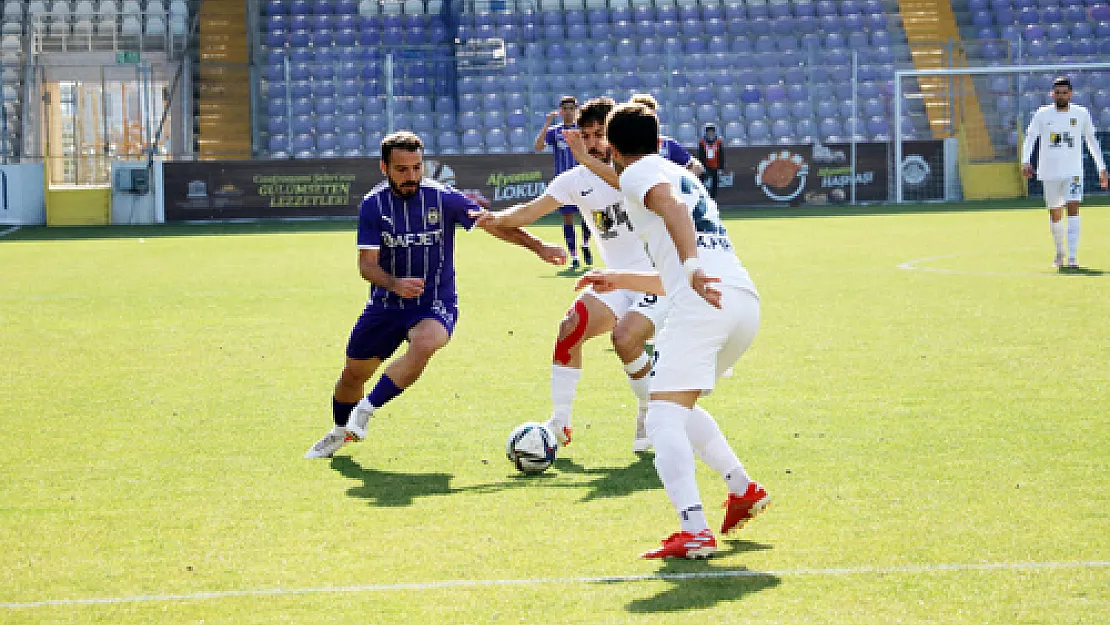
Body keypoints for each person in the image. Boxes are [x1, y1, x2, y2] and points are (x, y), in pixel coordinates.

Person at [575, 103, 770, 559]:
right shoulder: (682, 172)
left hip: (704, 302)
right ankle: (741, 488)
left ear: (612, 147)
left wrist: (692, 267)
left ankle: (695, 530)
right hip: (740, 301)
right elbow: (676, 265)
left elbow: (673, 210)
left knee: (661, 415)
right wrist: (620, 278)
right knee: (676, 404)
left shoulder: (638, 175)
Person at [305, 131, 566, 459]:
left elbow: (492, 224)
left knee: (426, 343)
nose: (411, 176)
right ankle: (339, 431)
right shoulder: (373, 206)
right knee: (352, 375)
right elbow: (366, 266)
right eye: (402, 169)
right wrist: (396, 284)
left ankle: (366, 410)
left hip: (435, 302)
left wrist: (539, 246)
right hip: (386, 304)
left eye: (416, 167)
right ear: (383, 168)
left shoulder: (443, 197)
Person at [473, 97, 663, 453]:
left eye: (600, 134)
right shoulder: (574, 180)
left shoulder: (642, 169)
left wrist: (588, 160)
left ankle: (648, 409)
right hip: (617, 279)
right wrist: (494, 218)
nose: (593, 142)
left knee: (625, 341)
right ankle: (559, 423)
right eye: (587, 134)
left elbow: (626, 185)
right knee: (570, 328)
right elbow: (528, 211)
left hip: (660, 280)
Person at [1021, 76, 1108, 269]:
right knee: (1055, 213)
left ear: (1070, 94)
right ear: (1052, 94)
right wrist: (1025, 161)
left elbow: (1092, 141)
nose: (1061, 96)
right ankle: (1060, 252)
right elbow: (1030, 137)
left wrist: (1101, 168)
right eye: (1057, 93)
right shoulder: (1042, 114)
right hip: (1050, 172)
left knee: (1073, 209)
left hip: (1073, 171)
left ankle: (1073, 257)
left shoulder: (1081, 114)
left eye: (1064, 92)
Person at [535, 94, 594, 271]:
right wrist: (546, 124)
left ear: (577, 110)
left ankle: (585, 243)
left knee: (588, 214)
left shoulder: (583, 130)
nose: (568, 112)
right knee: (567, 218)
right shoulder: (555, 131)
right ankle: (574, 256)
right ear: (561, 111)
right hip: (564, 182)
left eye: (571, 108)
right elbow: (538, 147)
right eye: (565, 109)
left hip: (583, 178)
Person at [629, 93, 704, 177]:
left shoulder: (666, 144)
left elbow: (697, 167)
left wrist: (680, 181)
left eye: (650, 116)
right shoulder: (623, 145)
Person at [697, 123, 725, 199]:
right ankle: (701, 197)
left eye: (712, 132)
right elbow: (701, 156)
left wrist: (721, 168)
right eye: (708, 132)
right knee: (701, 182)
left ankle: (712, 199)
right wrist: (702, 167)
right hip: (705, 166)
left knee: (715, 183)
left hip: (715, 166)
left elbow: (721, 155)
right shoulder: (702, 143)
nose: (710, 134)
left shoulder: (718, 143)